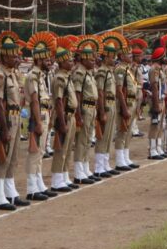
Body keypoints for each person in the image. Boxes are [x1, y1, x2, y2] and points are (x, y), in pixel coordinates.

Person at [0, 31, 27, 210]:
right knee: (3, 157)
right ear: (4, 57)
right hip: (6, 118)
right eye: (13, 56)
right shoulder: (0, 74)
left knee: (13, 157)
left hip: (16, 116)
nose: (16, 58)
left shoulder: (12, 74)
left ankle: (10, 191)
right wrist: (3, 128)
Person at [24, 31, 58, 200]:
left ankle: (38, 183)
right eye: (46, 59)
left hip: (44, 113)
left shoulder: (41, 75)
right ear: (38, 59)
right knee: (35, 152)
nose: (49, 62)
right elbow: (34, 100)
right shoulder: (33, 76)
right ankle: (32, 188)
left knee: (41, 151)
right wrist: (38, 122)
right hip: (38, 116)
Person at [50, 36, 80, 191]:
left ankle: (64, 176)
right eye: (69, 60)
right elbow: (59, 101)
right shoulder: (59, 78)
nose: (72, 62)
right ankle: (56, 180)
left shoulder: (67, 76)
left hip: (71, 116)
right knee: (61, 149)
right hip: (65, 116)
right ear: (61, 62)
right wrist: (61, 123)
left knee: (68, 149)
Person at [93, 32, 125, 178]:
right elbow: (100, 92)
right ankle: (99, 166)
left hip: (112, 105)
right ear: (106, 57)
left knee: (109, 136)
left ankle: (105, 164)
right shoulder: (101, 72)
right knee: (103, 136)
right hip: (106, 105)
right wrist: (101, 112)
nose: (114, 59)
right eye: (112, 57)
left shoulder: (109, 71)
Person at [71, 36, 101, 184]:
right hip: (84, 108)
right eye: (91, 59)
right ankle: (78, 172)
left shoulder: (88, 73)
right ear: (84, 59)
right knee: (81, 141)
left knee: (88, 140)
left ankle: (85, 167)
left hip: (91, 108)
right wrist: (78, 115)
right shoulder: (79, 73)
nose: (94, 61)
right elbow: (78, 94)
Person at [113, 39, 139, 172]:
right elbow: (119, 90)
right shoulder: (120, 69)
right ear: (122, 56)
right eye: (128, 54)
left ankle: (125, 157)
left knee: (128, 132)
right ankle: (119, 160)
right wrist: (123, 108)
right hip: (125, 103)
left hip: (132, 102)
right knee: (122, 131)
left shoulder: (128, 69)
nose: (131, 56)